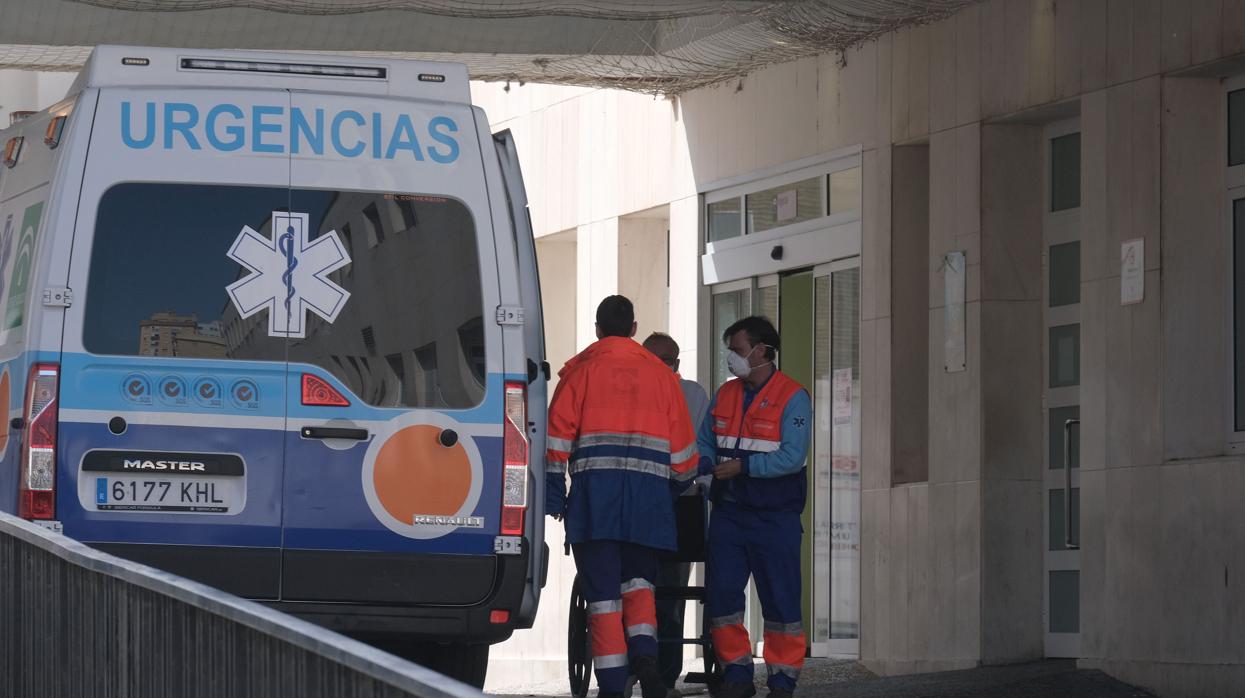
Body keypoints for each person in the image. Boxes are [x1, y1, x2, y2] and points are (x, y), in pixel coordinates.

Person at [545, 296, 699, 698]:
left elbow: (556, 438)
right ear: (634, 329)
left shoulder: (580, 372)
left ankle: (614, 684)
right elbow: (683, 455)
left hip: (595, 505)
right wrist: (677, 486)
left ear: (597, 329)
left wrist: (553, 491)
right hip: (648, 505)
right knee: (639, 586)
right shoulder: (663, 377)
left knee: (603, 598)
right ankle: (645, 654)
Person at [698, 316, 811, 698]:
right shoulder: (726, 393)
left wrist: (744, 467)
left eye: (739, 350)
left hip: (774, 515)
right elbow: (705, 441)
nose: (733, 357)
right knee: (723, 597)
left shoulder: (793, 396)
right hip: (729, 514)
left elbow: (792, 458)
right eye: (731, 350)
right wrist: (703, 463)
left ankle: (782, 678)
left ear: (762, 351)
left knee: (780, 597)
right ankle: (737, 674)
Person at [641, 331, 709, 691]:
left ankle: (665, 672)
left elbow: (695, 451)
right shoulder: (630, 392)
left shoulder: (693, 395)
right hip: (640, 500)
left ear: (676, 365)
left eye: (664, 362)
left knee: (670, 593)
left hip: (679, 502)